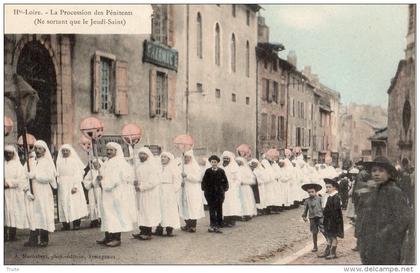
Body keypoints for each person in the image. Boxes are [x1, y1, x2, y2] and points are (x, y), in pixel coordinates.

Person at [358, 157, 410, 265]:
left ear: (389, 174)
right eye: (374, 170)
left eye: (381, 171)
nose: (377, 174)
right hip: (370, 247)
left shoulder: (394, 191)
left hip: (388, 248)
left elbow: (403, 220)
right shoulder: (374, 191)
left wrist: (383, 234)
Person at [96, 142, 133, 247]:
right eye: (107, 150)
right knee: (106, 214)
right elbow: (102, 175)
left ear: (116, 151)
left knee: (115, 214)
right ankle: (108, 236)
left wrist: (105, 184)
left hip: (116, 192)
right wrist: (99, 179)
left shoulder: (120, 163)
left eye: (111, 150)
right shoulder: (107, 162)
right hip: (107, 192)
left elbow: (116, 179)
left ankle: (116, 238)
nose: (108, 152)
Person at [24, 140, 57, 247]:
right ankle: (32, 239)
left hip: (43, 191)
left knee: (43, 214)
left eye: (40, 149)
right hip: (33, 191)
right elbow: (25, 176)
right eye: (36, 148)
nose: (37, 151)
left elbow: (49, 177)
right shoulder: (30, 162)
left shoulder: (47, 162)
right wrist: (27, 190)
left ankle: (44, 239)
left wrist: (35, 176)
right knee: (33, 215)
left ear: (44, 150)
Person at [56, 144, 89, 231]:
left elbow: (78, 174)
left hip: (73, 184)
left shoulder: (74, 161)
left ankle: (76, 223)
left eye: (67, 151)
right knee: (64, 203)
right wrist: (59, 182)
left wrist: (75, 186)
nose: (65, 152)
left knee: (75, 203)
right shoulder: (59, 162)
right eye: (63, 151)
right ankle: (65, 224)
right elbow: (57, 174)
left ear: (70, 152)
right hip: (63, 185)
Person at [131, 147, 161, 240]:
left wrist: (141, 187)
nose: (141, 156)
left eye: (144, 154)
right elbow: (136, 177)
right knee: (141, 212)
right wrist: (135, 182)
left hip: (149, 193)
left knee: (148, 212)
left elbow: (153, 182)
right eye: (140, 154)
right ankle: (142, 231)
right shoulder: (139, 165)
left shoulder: (152, 166)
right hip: (141, 193)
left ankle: (148, 232)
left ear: (148, 155)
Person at [4, 145, 29, 241]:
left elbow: (20, 180)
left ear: (13, 154)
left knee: (13, 212)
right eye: (6, 153)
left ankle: (12, 234)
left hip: (13, 192)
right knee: (5, 213)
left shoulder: (18, 165)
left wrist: (8, 184)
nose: (8, 155)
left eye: (10, 153)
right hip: (4, 193)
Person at [155, 151, 181, 237]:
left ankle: (169, 229)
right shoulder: (158, 167)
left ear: (169, 159)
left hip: (169, 190)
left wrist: (173, 190)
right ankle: (159, 228)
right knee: (160, 209)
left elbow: (177, 180)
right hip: (160, 189)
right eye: (162, 157)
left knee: (169, 209)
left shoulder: (173, 167)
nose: (162, 158)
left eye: (165, 157)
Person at [178, 150, 205, 232]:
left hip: (192, 189)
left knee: (193, 207)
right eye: (185, 157)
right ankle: (187, 224)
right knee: (184, 207)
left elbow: (198, 178)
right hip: (184, 189)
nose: (186, 159)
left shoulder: (195, 166)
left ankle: (193, 225)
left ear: (191, 157)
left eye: (187, 157)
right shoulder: (181, 166)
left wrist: (187, 176)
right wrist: (180, 181)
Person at [201, 155, 229, 233]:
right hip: (210, 194)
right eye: (212, 162)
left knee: (219, 208)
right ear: (210, 163)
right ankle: (212, 224)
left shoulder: (221, 171)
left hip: (219, 193)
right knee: (212, 209)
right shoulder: (208, 171)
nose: (214, 163)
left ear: (217, 163)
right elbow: (204, 182)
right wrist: (205, 190)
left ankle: (219, 224)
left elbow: (225, 181)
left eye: (215, 162)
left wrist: (224, 189)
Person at [318, 178, 343, 259]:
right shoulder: (329, 196)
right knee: (328, 235)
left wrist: (331, 218)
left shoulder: (336, 197)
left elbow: (335, 210)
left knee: (333, 236)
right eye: (326, 187)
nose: (327, 189)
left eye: (329, 187)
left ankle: (333, 252)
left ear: (334, 188)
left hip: (334, 220)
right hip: (328, 219)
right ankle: (327, 251)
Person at [220, 151, 242, 226]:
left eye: (227, 158)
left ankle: (232, 220)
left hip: (231, 188)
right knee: (224, 204)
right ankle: (225, 219)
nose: (226, 160)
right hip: (223, 188)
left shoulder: (234, 167)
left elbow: (238, 179)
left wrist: (233, 186)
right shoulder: (221, 167)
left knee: (232, 204)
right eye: (224, 158)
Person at [301, 183, 324, 252]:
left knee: (324, 230)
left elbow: (323, 208)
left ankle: (329, 243)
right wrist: (304, 216)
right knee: (314, 232)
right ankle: (315, 246)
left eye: (312, 192)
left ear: (316, 191)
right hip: (312, 218)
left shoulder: (320, 199)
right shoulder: (307, 200)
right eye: (309, 192)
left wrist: (325, 215)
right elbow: (305, 209)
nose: (310, 193)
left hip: (320, 217)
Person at [82, 159, 103, 228]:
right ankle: (94, 220)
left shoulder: (103, 171)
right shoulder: (91, 172)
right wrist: (90, 184)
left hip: (100, 190)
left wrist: (101, 182)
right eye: (94, 163)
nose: (95, 165)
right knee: (92, 204)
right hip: (92, 190)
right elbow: (85, 180)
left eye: (96, 163)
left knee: (100, 204)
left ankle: (101, 218)